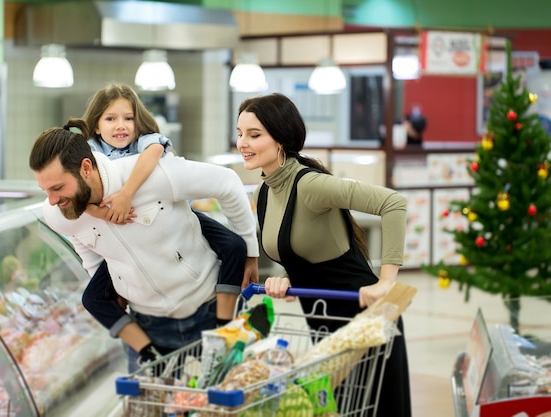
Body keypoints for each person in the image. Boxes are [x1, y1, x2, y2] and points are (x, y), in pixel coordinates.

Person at [29, 118, 259, 372]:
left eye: (58, 188)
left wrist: (250, 253)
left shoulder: (152, 175)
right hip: (149, 327)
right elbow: (81, 242)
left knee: (230, 401)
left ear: (86, 168)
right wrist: (109, 285)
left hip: (210, 307)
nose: (51, 200)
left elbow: (227, 182)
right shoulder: (58, 213)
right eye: (45, 190)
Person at [236, 92, 411, 417]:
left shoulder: (311, 184)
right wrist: (284, 279)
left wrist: (386, 281)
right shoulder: (263, 193)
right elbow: (305, 252)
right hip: (324, 326)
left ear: (281, 138)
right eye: (240, 133)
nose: (243, 143)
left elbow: (393, 204)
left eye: (254, 134)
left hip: (365, 323)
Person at [79, 83, 255, 332]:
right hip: (122, 240)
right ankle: (141, 345)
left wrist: (126, 194)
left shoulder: (144, 141)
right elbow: (75, 196)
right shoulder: (89, 153)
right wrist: (100, 212)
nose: (121, 125)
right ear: (96, 125)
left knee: (235, 246)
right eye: (111, 118)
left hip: (171, 218)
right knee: (92, 298)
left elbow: (154, 150)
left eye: (128, 118)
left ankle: (225, 322)